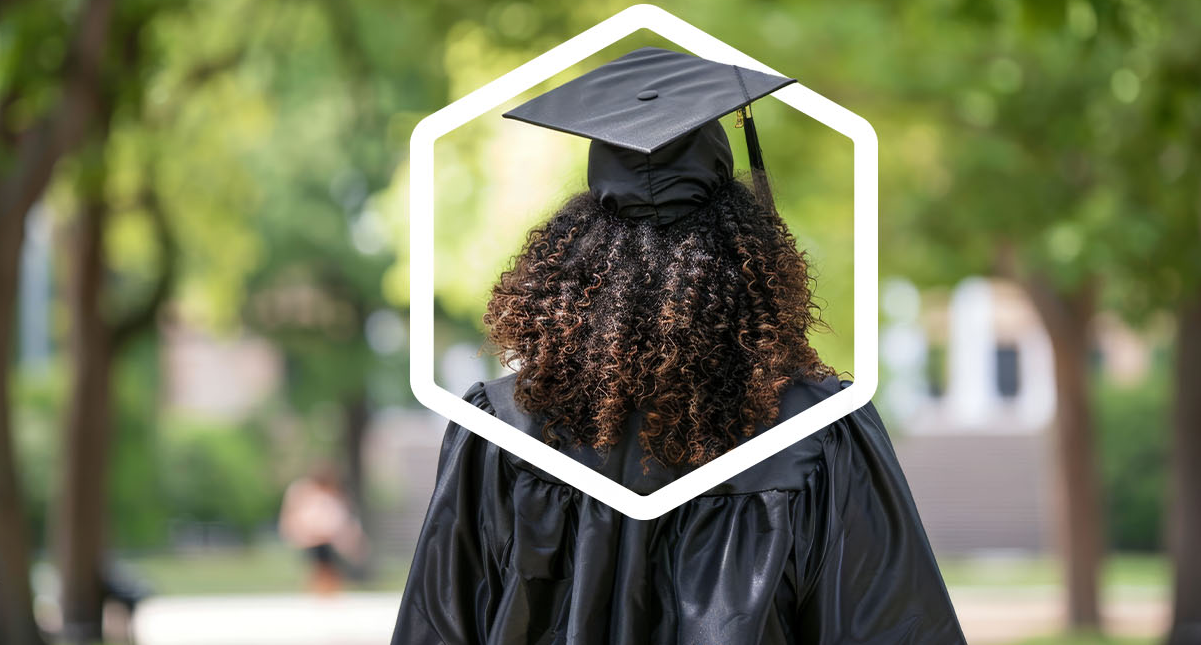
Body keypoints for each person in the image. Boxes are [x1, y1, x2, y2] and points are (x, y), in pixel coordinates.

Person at [392, 47, 966, 644]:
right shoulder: (817, 432)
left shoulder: (501, 428)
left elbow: (438, 628)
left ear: (574, 258)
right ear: (749, 258)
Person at [277, 462, 366, 596]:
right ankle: (321, 591)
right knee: (320, 567)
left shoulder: (333, 495)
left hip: (329, 540)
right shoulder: (303, 492)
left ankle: (327, 591)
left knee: (327, 567)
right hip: (313, 539)